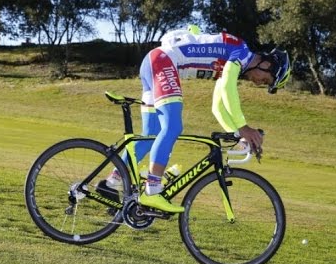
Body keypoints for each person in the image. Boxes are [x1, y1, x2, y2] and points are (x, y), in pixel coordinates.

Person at [103, 25, 291, 214]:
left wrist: (237, 133)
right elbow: (227, 89)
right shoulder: (241, 53)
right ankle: (152, 189)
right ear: (267, 64)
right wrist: (243, 127)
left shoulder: (230, 62)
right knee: (172, 127)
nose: (259, 83)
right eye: (265, 80)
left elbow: (217, 106)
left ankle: (110, 184)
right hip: (163, 62)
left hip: (153, 61)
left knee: (150, 136)